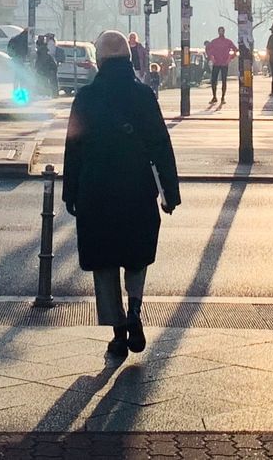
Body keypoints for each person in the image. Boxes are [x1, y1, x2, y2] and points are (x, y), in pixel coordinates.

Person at [64, 30, 181, 357]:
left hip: (95, 190)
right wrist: (169, 192)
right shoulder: (143, 96)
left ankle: (118, 332)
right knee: (136, 254)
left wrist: (70, 192)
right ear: (129, 59)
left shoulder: (86, 97)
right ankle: (135, 311)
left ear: (100, 60)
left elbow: (73, 148)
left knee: (104, 262)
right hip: (136, 189)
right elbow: (161, 145)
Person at [203, 27, 237, 105]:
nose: (221, 32)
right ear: (218, 32)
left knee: (224, 81)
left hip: (224, 63)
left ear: (224, 32)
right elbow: (207, 48)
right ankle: (214, 96)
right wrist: (211, 57)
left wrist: (230, 58)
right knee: (213, 80)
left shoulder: (228, 42)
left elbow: (235, 49)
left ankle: (222, 97)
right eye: (220, 31)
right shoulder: (215, 41)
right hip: (216, 63)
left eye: (222, 31)